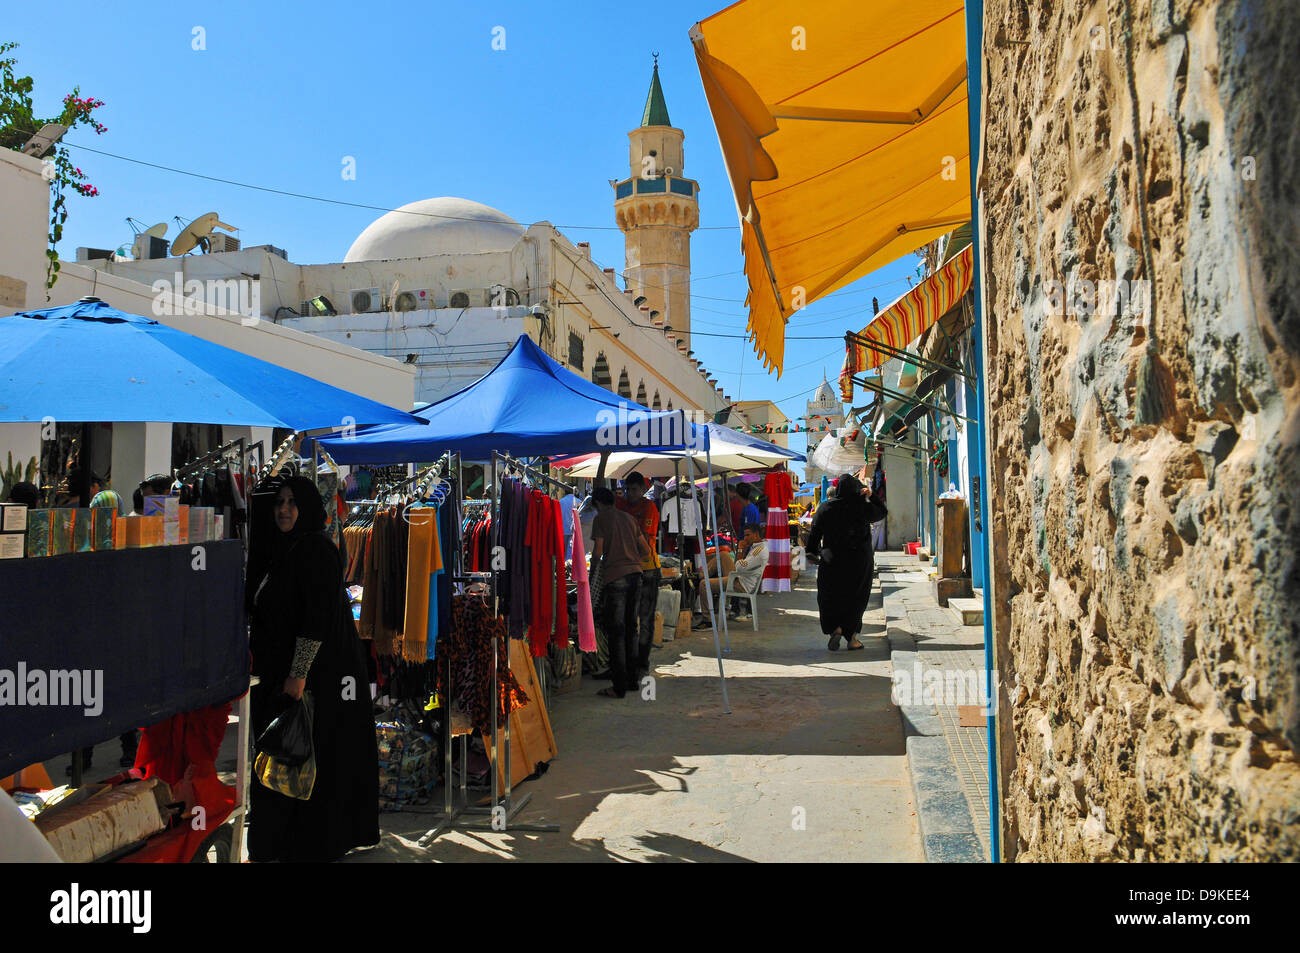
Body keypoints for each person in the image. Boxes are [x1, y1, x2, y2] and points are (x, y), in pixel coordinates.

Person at [247, 476, 379, 862]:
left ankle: (315, 841)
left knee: (309, 752)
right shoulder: (282, 549)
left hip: (319, 676)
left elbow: (316, 620)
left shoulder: (317, 550)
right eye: (279, 503)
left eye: (292, 502)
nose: (284, 509)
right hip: (283, 672)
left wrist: (298, 674)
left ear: (306, 506)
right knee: (285, 751)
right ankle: (283, 840)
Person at [805, 472, 887, 651]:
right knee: (856, 598)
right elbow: (882, 512)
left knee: (830, 596)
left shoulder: (826, 508)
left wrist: (811, 552)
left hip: (832, 560)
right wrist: (871, 496)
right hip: (859, 562)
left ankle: (836, 628)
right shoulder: (862, 507)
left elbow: (815, 533)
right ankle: (852, 639)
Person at [590, 487, 650, 698]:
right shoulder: (629, 518)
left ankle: (618, 687)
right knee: (631, 630)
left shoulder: (601, 520)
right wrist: (631, 561)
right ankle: (632, 682)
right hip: (636, 576)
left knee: (616, 633)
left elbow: (597, 552)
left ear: (597, 503)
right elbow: (646, 550)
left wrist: (594, 571)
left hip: (615, 578)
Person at [616, 471, 661, 686]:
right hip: (627, 569)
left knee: (645, 620)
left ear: (642, 491)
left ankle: (643, 663)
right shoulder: (620, 504)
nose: (629, 493)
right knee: (627, 620)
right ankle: (628, 664)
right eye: (627, 489)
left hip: (648, 569)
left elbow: (643, 543)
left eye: (634, 489)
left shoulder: (649, 508)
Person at [697, 524, 768, 625]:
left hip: (741, 584)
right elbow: (740, 565)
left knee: (704, 584)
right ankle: (699, 575)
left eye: (748, 535)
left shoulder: (759, 551)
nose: (745, 538)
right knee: (723, 555)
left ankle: (707, 620)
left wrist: (740, 549)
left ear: (756, 535)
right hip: (739, 577)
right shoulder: (756, 547)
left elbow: (739, 567)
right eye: (744, 536)